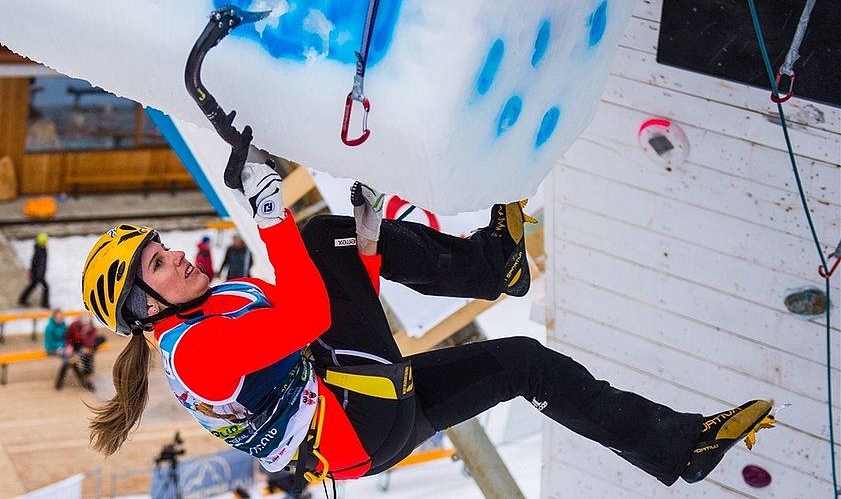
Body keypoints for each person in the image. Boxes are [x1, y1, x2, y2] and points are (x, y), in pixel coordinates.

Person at [81, 161, 773, 491]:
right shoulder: (194, 353)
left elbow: (334, 312)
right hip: (355, 421)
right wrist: (272, 219)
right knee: (317, 237)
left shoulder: (226, 293)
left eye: (162, 246)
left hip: (365, 407)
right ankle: (490, 267)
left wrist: (370, 243)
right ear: (146, 310)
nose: (174, 255)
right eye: (157, 265)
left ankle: (677, 447)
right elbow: (314, 315)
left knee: (525, 362)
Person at [56, 313, 104, 391]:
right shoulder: (74, 325)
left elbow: (89, 343)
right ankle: (59, 382)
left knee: (88, 359)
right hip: (74, 346)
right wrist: (69, 346)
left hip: (84, 347)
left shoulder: (92, 329)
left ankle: (88, 380)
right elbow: (67, 337)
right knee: (68, 360)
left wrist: (84, 334)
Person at [18, 232, 50, 308]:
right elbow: (34, 263)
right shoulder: (39, 251)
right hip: (38, 274)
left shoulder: (41, 250)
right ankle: (44, 303)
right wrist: (33, 272)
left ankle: (23, 299)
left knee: (32, 286)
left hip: (39, 273)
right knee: (45, 287)